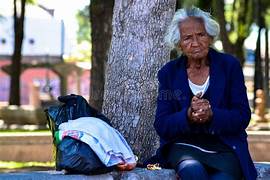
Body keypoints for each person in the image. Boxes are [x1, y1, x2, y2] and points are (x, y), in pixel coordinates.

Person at [151, 6, 257, 180]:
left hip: (224, 147)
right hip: (184, 147)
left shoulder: (229, 66)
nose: (195, 42)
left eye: (201, 35)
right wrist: (188, 115)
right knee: (193, 171)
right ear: (179, 45)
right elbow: (162, 124)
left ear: (210, 37)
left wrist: (212, 115)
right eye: (187, 38)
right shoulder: (169, 73)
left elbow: (242, 116)